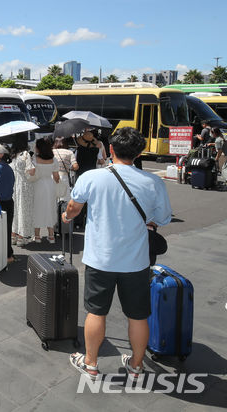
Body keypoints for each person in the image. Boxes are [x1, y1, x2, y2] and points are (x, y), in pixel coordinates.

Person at [62, 127, 172, 381]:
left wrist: (67, 216)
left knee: (96, 312)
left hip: (100, 258)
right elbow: (163, 217)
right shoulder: (153, 182)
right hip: (136, 261)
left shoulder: (92, 178)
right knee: (138, 315)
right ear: (139, 152)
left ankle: (90, 364)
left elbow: (73, 207)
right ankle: (136, 365)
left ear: (111, 149)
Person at [72, 129, 105, 229]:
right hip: (92, 174)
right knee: (91, 198)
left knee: (80, 197)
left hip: (80, 174)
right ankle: (88, 219)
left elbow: (75, 162)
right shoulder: (96, 150)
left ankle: (78, 221)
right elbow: (101, 161)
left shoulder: (79, 150)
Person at [32, 138, 60, 243]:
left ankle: (37, 236)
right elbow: (56, 177)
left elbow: (31, 173)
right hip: (50, 185)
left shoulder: (34, 159)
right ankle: (51, 235)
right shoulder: (54, 160)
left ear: (38, 148)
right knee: (50, 208)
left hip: (37, 185)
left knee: (37, 209)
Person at [10, 135, 35, 246]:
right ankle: (21, 237)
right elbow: (32, 170)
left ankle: (13, 236)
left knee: (15, 210)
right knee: (24, 210)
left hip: (14, 185)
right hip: (25, 185)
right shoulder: (25, 154)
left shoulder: (13, 156)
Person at [52, 137, 76, 202]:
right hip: (63, 176)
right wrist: (70, 168)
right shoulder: (69, 152)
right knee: (64, 198)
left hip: (51, 176)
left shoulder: (50, 152)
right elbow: (76, 166)